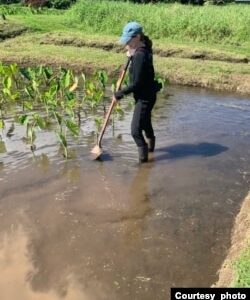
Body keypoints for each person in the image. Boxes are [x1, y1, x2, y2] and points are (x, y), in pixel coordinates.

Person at [113, 21, 161, 163]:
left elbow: (137, 83)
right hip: (149, 93)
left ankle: (144, 163)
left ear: (137, 37)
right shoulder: (144, 48)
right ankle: (151, 150)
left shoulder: (140, 55)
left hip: (144, 97)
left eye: (129, 40)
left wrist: (119, 94)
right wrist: (131, 54)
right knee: (145, 123)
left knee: (135, 131)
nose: (126, 43)